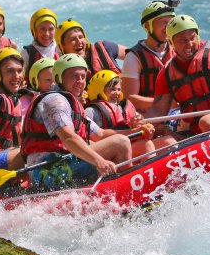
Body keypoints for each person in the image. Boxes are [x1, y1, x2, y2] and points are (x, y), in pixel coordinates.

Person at [20, 54, 153, 191]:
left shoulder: (72, 104)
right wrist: (97, 160)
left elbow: (100, 134)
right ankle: (128, 192)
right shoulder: (55, 101)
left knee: (141, 144)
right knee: (120, 143)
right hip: (46, 172)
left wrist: (136, 131)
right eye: (74, 76)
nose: (80, 81)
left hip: (63, 161)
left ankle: (129, 188)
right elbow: (68, 138)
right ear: (58, 78)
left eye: (83, 77)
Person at [122, 0, 177, 115]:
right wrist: (167, 103)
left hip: (177, 111)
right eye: (164, 22)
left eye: (171, 22)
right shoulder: (134, 57)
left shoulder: (178, 49)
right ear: (148, 26)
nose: (169, 27)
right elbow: (130, 98)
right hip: (150, 115)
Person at [85, 70, 155, 158]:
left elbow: (138, 125)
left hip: (128, 146)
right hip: (110, 153)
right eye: (112, 90)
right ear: (98, 91)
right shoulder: (91, 111)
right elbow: (90, 137)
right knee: (146, 145)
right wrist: (135, 131)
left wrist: (139, 125)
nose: (117, 93)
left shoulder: (123, 106)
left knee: (168, 141)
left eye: (119, 89)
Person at [55, 18, 126, 81]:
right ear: (62, 46)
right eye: (72, 39)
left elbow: (133, 54)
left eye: (81, 37)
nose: (79, 42)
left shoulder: (105, 47)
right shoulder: (61, 70)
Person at [21, 8, 60, 79]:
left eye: (51, 29)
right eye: (42, 29)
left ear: (56, 30)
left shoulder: (60, 50)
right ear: (34, 31)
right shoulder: (27, 53)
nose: (47, 34)